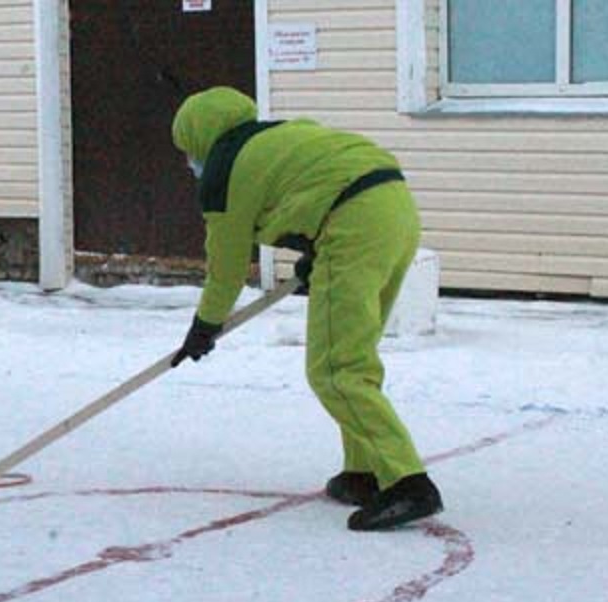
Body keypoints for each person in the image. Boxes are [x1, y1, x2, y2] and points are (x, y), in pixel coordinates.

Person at [168, 86, 443, 532]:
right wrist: (316, 243)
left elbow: (227, 266)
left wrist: (205, 326)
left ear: (200, 137)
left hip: (351, 225)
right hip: (394, 209)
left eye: (186, 151)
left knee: (335, 370)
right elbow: (315, 184)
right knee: (353, 358)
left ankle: (408, 482)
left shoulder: (223, 171)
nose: (188, 163)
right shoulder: (281, 135)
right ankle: (364, 472)